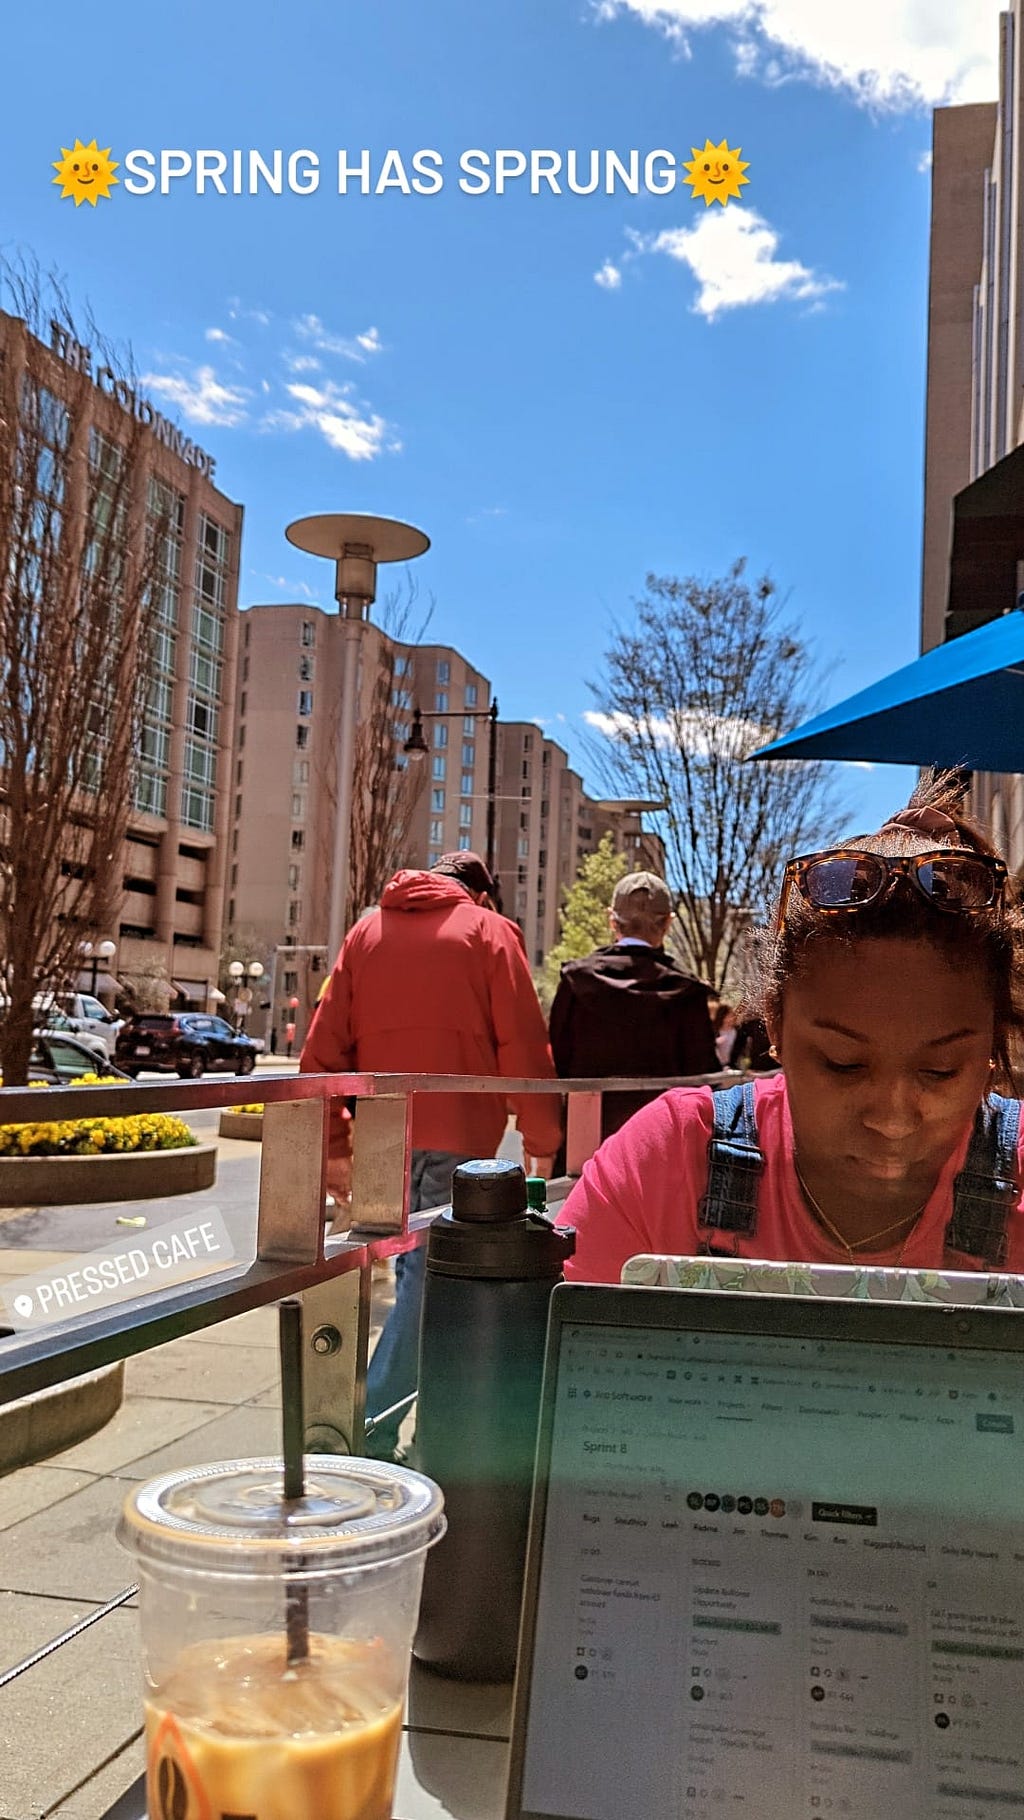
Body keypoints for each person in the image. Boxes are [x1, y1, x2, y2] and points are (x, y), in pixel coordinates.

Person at [557, 773, 1024, 1284]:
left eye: (940, 1071)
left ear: (993, 1043)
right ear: (774, 1024)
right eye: (842, 1064)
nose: (892, 1119)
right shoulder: (662, 1166)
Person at [301, 850, 563, 1458]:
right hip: (459, 1143)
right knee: (426, 1288)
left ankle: (369, 1426)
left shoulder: (367, 931)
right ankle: (365, 1431)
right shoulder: (491, 933)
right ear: (483, 895)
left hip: (380, 1140)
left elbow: (321, 1052)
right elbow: (524, 1045)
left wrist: (335, 1148)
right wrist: (542, 1142)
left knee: (398, 1279)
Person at [548, 871, 717, 1140]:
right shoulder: (687, 993)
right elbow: (704, 1079)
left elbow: (561, 1061)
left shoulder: (575, 982)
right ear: (668, 924)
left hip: (588, 1137)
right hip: (665, 1142)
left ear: (612, 921)